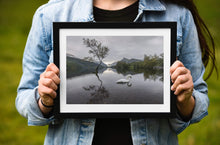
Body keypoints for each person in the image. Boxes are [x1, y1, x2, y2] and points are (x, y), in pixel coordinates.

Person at [16, 0, 217, 145]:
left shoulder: (178, 14)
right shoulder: (50, 15)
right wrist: (45, 101)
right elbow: (25, 95)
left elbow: (199, 99)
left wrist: (184, 100)